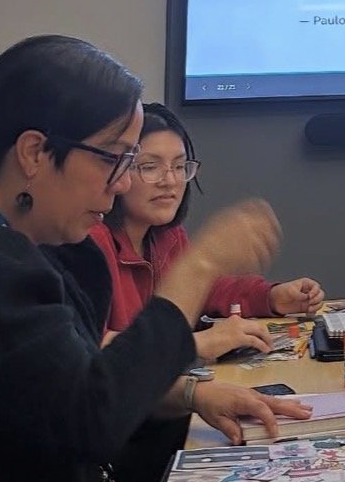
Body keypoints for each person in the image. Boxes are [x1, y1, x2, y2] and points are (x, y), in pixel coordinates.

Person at [0, 34, 311, 482]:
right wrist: (199, 269)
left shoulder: (40, 252)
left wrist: (191, 396)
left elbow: (67, 383)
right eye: (113, 158)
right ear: (33, 153)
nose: (124, 182)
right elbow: (89, 415)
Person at [88, 102, 324, 361]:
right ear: (119, 169)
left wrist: (272, 297)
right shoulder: (92, 241)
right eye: (150, 166)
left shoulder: (168, 236)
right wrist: (194, 343)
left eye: (179, 167)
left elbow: (208, 290)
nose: (170, 181)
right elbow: (88, 344)